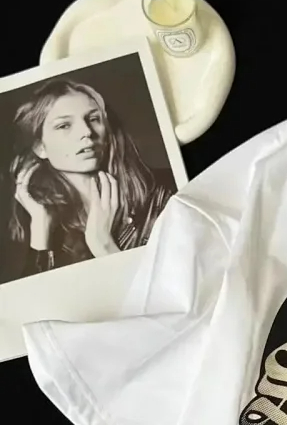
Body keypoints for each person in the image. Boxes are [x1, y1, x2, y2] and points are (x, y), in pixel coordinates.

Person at [8, 78, 175, 276]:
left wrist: (103, 245)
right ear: (40, 147)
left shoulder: (164, 193)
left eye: (94, 119)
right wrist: (40, 229)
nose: (86, 132)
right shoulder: (29, 224)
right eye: (64, 125)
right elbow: (34, 294)